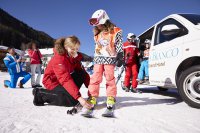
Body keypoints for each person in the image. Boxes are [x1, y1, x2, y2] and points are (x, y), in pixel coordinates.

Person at [32, 36, 92, 109]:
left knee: (81, 73)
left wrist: (92, 90)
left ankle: (69, 94)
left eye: (77, 49)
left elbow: (84, 74)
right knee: (73, 100)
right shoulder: (59, 58)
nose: (75, 51)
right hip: (52, 82)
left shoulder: (74, 57)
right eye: (72, 49)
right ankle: (40, 94)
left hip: (62, 81)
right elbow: (65, 79)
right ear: (66, 47)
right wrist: (78, 97)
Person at [87, 9, 123, 109]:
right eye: (95, 25)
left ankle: (110, 97)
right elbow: (97, 46)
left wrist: (120, 55)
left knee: (110, 78)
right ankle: (92, 96)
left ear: (104, 19)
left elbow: (119, 43)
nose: (97, 26)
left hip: (110, 58)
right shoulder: (97, 33)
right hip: (98, 58)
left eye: (98, 24)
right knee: (95, 78)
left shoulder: (116, 31)